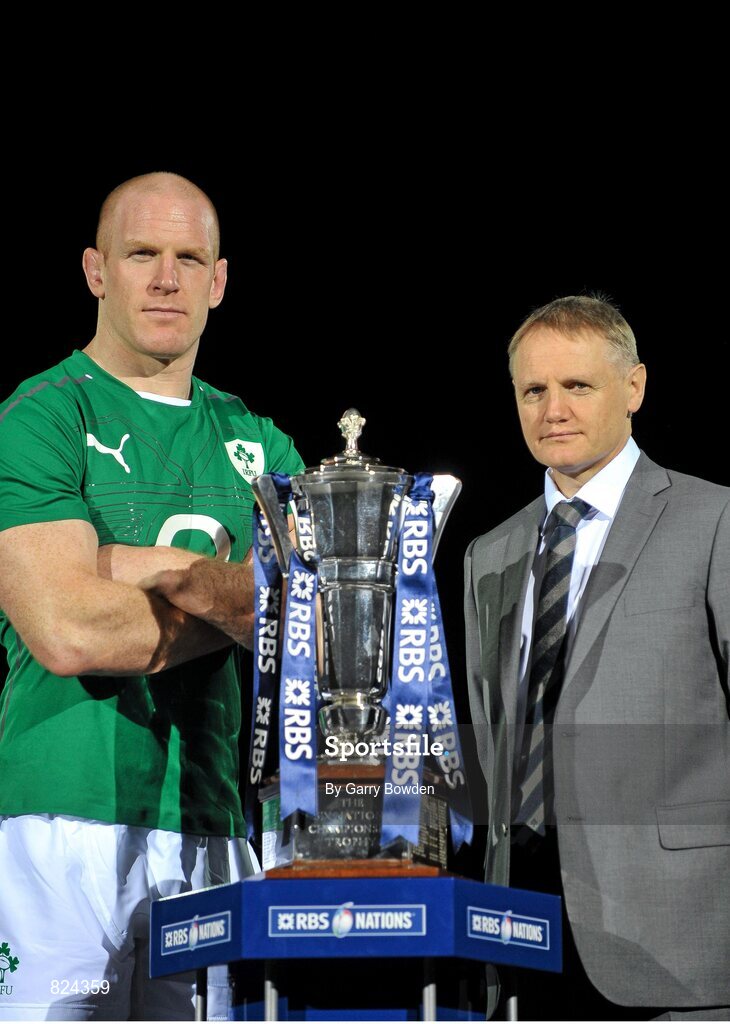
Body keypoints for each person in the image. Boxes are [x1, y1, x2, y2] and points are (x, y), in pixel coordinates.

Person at [0, 172, 304, 1020]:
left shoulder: (260, 441)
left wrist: (155, 568)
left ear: (219, 281)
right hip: (61, 818)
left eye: (188, 257)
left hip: (217, 822)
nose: (166, 278)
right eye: (143, 254)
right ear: (97, 271)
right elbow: (65, 632)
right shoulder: (40, 418)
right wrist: (239, 600)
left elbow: (310, 624)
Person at [464, 295, 729, 1020]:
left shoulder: (714, 522)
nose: (554, 409)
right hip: (518, 929)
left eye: (577, 386)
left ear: (634, 388)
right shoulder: (489, 554)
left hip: (678, 938)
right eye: (534, 390)